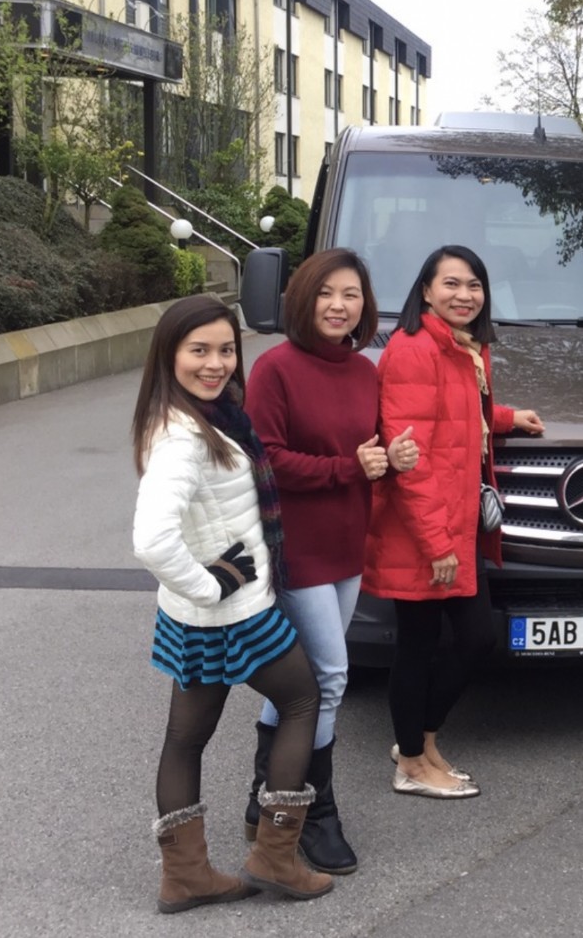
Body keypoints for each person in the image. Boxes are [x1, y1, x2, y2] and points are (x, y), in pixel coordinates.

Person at [132, 296, 332, 912]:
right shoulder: (184, 438)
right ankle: (275, 855)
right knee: (302, 700)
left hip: (195, 619)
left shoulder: (198, 416)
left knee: (185, 738)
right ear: (170, 355)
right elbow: (152, 540)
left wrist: (197, 590)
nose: (215, 363)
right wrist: (209, 584)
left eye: (226, 349)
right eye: (199, 350)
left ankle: (186, 876)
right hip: (233, 613)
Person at [240, 249, 418, 873]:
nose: (339, 305)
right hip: (296, 545)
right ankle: (313, 812)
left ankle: (263, 795)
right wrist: (350, 467)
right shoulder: (275, 368)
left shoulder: (365, 371)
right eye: (326, 293)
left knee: (299, 682)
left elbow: (367, 453)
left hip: (348, 543)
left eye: (352, 294)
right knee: (329, 677)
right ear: (302, 298)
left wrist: (390, 458)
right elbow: (264, 458)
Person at [364, 245, 544, 799]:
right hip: (425, 531)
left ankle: (419, 744)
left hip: (453, 525)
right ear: (425, 291)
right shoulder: (414, 350)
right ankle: (412, 762)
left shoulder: (462, 347)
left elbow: (457, 416)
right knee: (429, 644)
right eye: (451, 284)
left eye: (474, 285)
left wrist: (507, 418)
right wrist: (438, 544)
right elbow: (412, 461)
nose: (464, 295)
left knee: (463, 640)